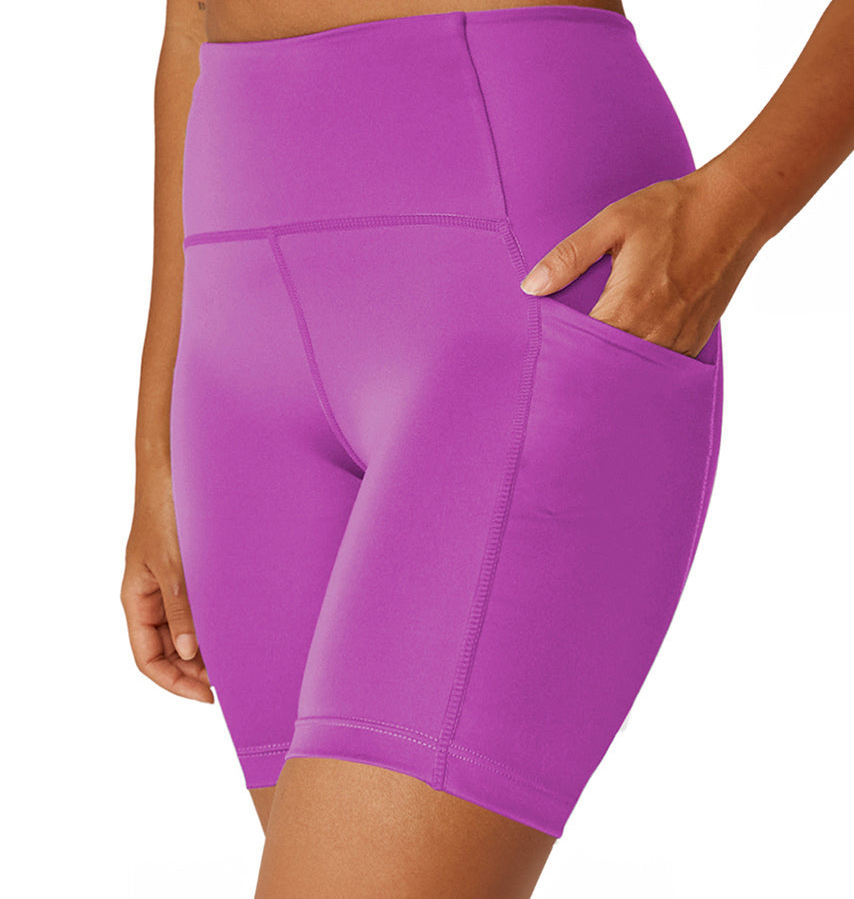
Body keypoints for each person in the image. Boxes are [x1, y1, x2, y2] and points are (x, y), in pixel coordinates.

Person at [120, 1, 854, 895]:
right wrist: (156, 437)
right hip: (235, 318)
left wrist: (732, 213)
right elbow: (186, 21)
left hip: (512, 260)